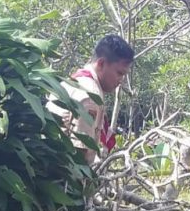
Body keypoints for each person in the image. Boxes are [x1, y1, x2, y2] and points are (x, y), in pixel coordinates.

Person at [54, 34, 135, 166]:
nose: (121, 80)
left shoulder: (76, 80)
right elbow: (79, 153)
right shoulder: (90, 95)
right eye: (119, 73)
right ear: (101, 63)